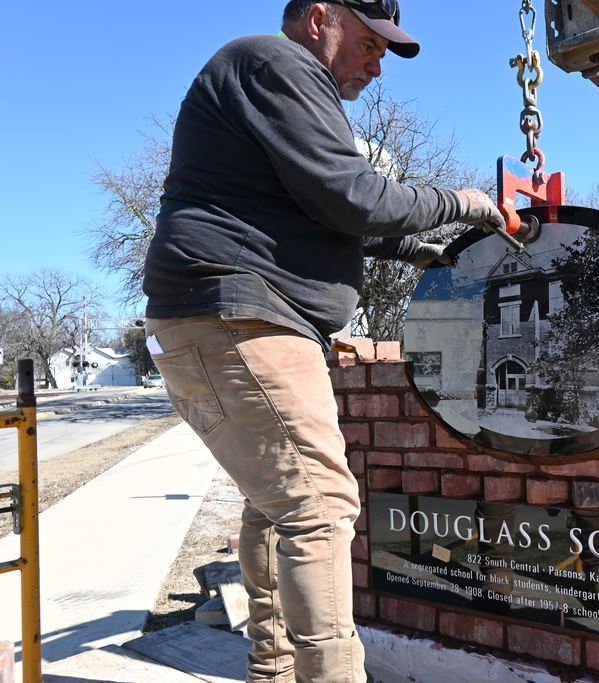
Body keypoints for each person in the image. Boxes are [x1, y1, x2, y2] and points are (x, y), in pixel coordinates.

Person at [142, 2, 504, 681]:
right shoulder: (275, 62)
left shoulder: (266, 84)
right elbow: (355, 197)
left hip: (217, 318)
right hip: (243, 318)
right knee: (319, 507)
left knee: (278, 503)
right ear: (319, 18)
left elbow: (333, 212)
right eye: (369, 44)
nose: (376, 65)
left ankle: (274, 670)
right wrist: (463, 202)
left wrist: (428, 249)